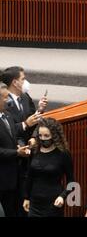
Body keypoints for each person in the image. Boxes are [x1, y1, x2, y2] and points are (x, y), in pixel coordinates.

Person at [23, 118, 74, 217]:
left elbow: (72, 181)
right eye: (40, 135)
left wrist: (62, 197)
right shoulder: (35, 151)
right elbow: (29, 177)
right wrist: (26, 197)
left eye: (46, 136)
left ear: (54, 136)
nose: (43, 138)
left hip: (54, 204)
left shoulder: (63, 154)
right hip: (34, 204)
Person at [0, 82, 29, 217]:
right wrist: (16, 152)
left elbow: (15, 136)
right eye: (5, 98)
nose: (8, 101)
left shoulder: (7, 115)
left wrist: (20, 145)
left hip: (14, 177)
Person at [1, 66, 47, 146]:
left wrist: (40, 110)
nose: (25, 82)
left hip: (30, 144)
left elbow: (33, 120)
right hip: (14, 146)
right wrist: (25, 124)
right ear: (15, 83)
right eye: (23, 79)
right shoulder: (3, 102)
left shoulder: (25, 97)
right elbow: (6, 129)